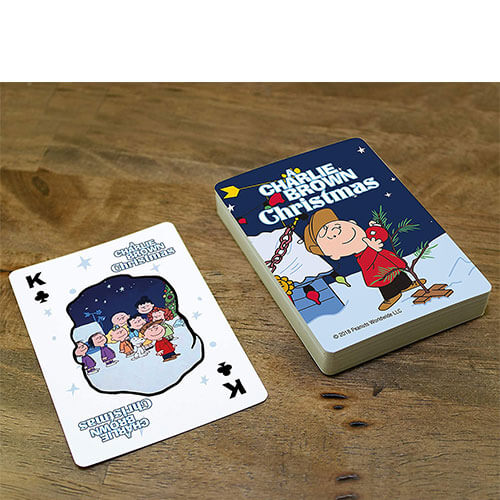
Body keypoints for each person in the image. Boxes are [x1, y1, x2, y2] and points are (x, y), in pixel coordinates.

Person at [303, 208, 425, 311]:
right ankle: (391, 296)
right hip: (376, 270)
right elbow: (368, 260)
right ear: (334, 255)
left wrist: (377, 228)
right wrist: (372, 248)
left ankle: (407, 285)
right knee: (384, 282)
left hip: (387, 260)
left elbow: (382, 236)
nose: (335, 232)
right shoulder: (361, 256)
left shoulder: (368, 235)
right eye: (328, 236)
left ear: (352, 223)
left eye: (336, 226)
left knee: (397, 273)